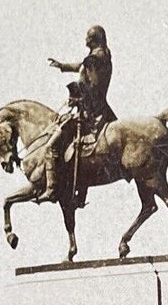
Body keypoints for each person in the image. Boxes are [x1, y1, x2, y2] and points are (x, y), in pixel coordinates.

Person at [42, 25, 116, 204]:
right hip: (101, 108)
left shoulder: (94, 58)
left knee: (52, 144)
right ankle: (81, 193)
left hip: (91, 110)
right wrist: (62, 66)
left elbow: (92, 83)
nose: (85, 40)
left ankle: (51, 189)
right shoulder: (101, 56)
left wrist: (79, 97)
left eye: (88, 37)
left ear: (95, 39)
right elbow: (82, 67)